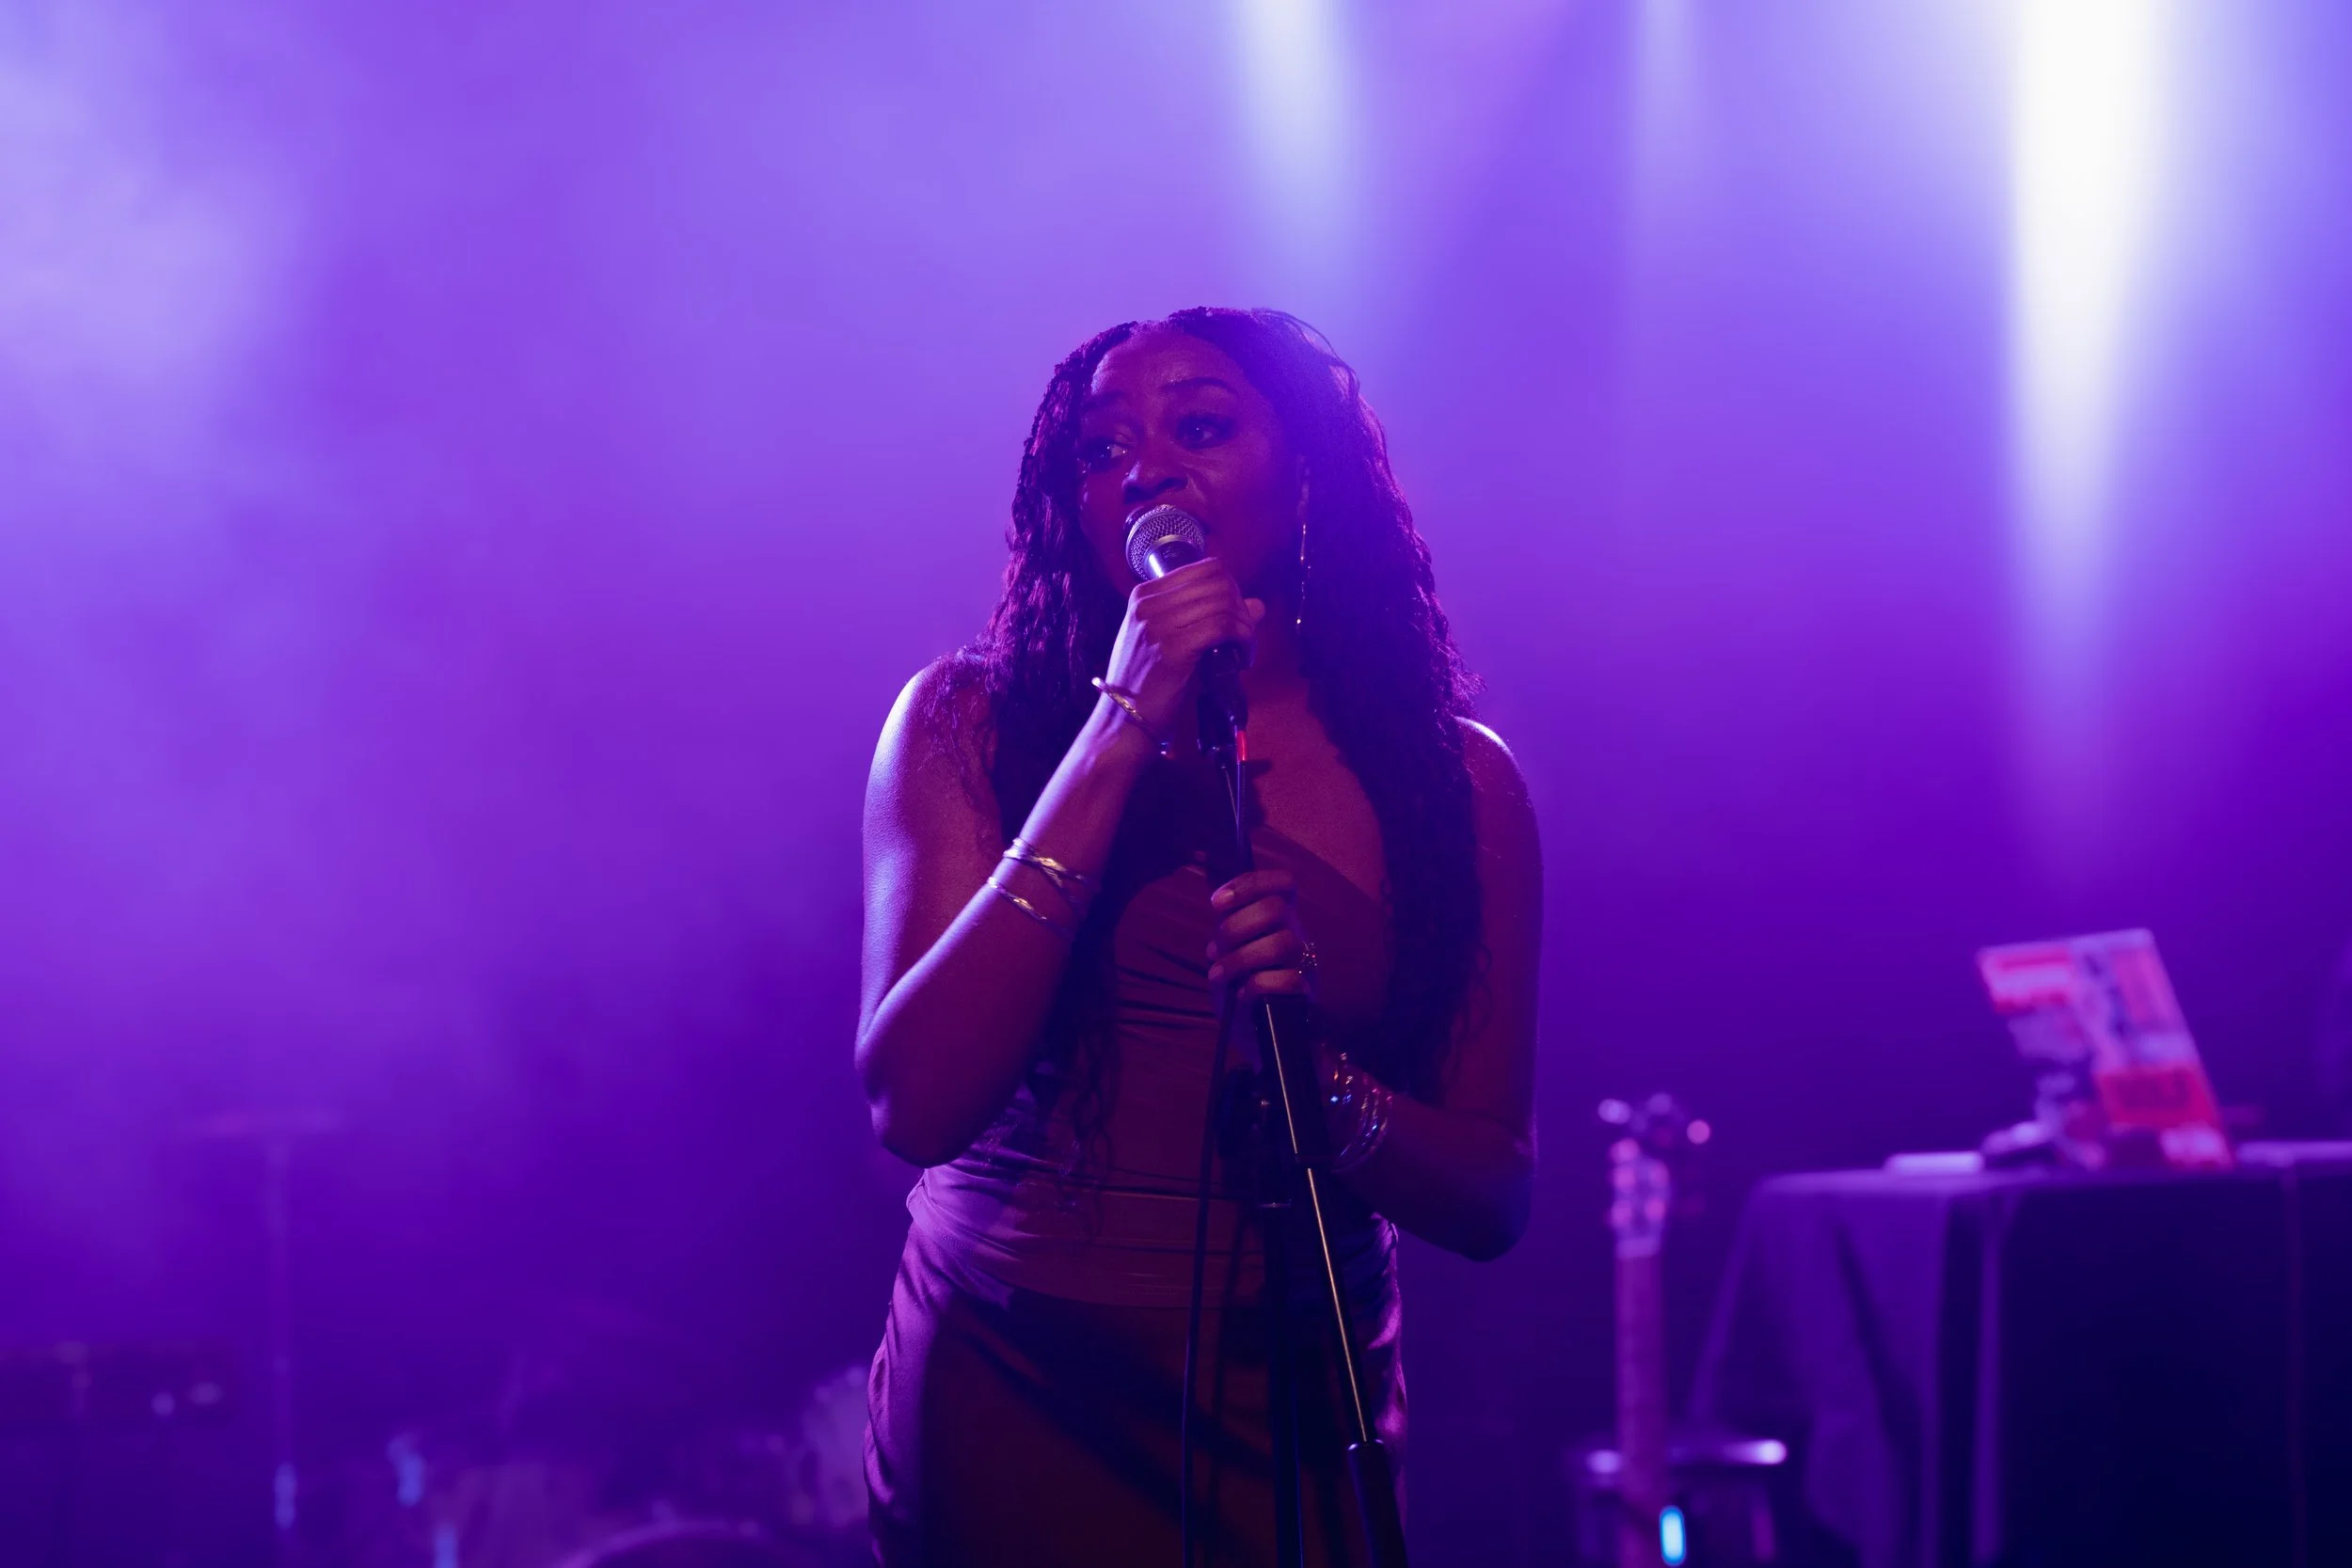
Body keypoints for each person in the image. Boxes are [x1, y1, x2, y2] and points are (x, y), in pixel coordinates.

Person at [856, 308, 1540, 1566]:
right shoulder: (970, 725)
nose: (1147, 468)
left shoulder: (1456, 786)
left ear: (1310, 476)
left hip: (1284, 1389)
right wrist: (1122, 722)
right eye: (1103, 448)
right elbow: (916, 1098)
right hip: (1015, 1374)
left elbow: (1496, 1192)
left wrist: (1321, 1096)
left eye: (1202, 427)